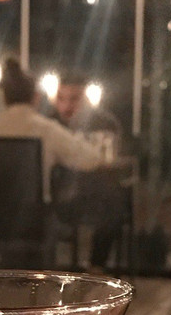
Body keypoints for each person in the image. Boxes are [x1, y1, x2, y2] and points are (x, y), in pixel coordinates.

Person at [0, 58, 104, 201]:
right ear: (36, 97)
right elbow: (90, 160)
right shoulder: (45, 129)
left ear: (4, 97)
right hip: (33, 211)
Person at [51, 72, 129, 270]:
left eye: (74, 99)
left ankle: (96, 267)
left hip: (93, 193)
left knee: (111, 200)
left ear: (86, 99)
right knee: (111, 201)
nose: (66, 106)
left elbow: (109, 159)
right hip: (57, 195)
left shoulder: (105, 123)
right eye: (61, 98)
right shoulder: (50, 124)